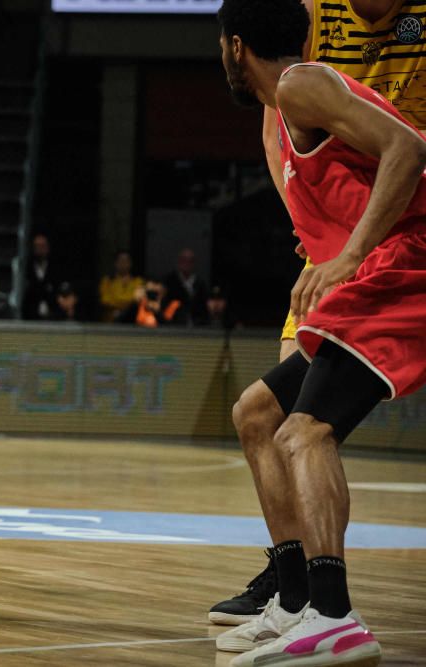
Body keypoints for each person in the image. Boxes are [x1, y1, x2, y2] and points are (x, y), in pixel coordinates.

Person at [213, 2, 426, 664]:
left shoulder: (305, 83)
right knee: (256, 412)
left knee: (304, 431)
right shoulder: (283, 111)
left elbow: (410, 147)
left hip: (405, 270)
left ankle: (335, 616)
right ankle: (297, 601)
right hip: (380, 271)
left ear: (235, 46)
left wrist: (350, 257)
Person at [98, 250, 143, 322]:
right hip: (110, 321)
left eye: (126, 261)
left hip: (132, 321)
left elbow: (138, 300)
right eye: (120, 260)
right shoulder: (107, 281)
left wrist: (121, 306)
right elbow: (105, 300)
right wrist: (129, 302)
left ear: (130, 263)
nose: (123, 263)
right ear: (115, 263)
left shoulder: (137, 281)